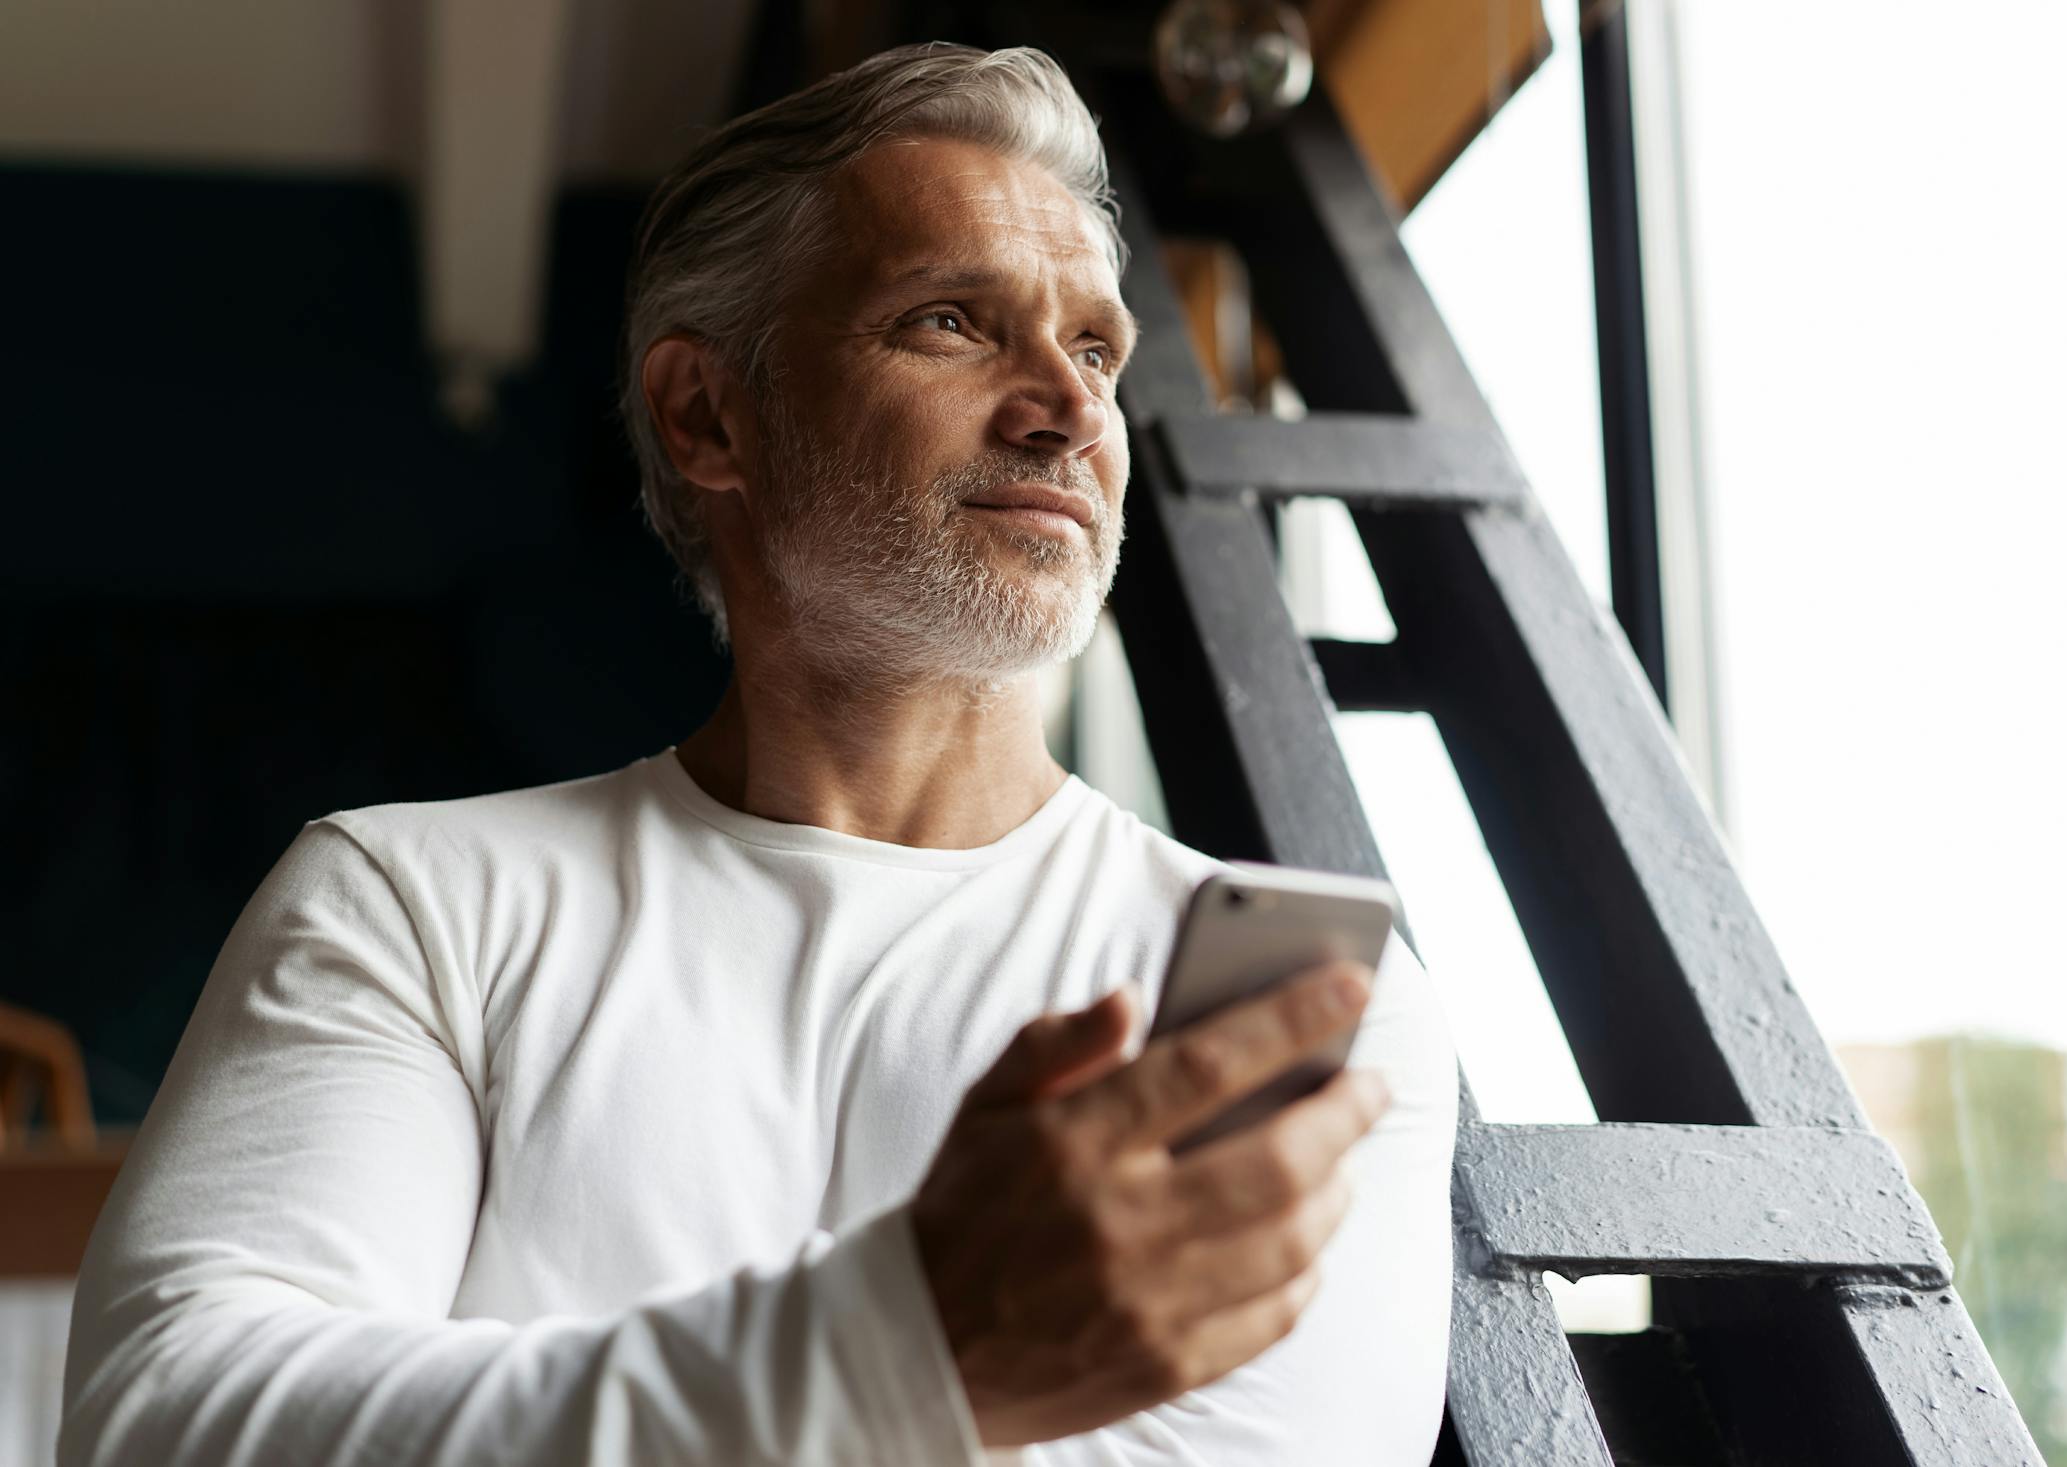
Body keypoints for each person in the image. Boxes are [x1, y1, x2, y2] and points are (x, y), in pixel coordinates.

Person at [59, 42, 1458, 1466]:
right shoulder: (409, 907)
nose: (1069, 407)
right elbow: (174, 1427)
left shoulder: (1300, 1017)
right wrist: (908, 1351)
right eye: (954, 322)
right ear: (706, 414)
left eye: (1095, 347)